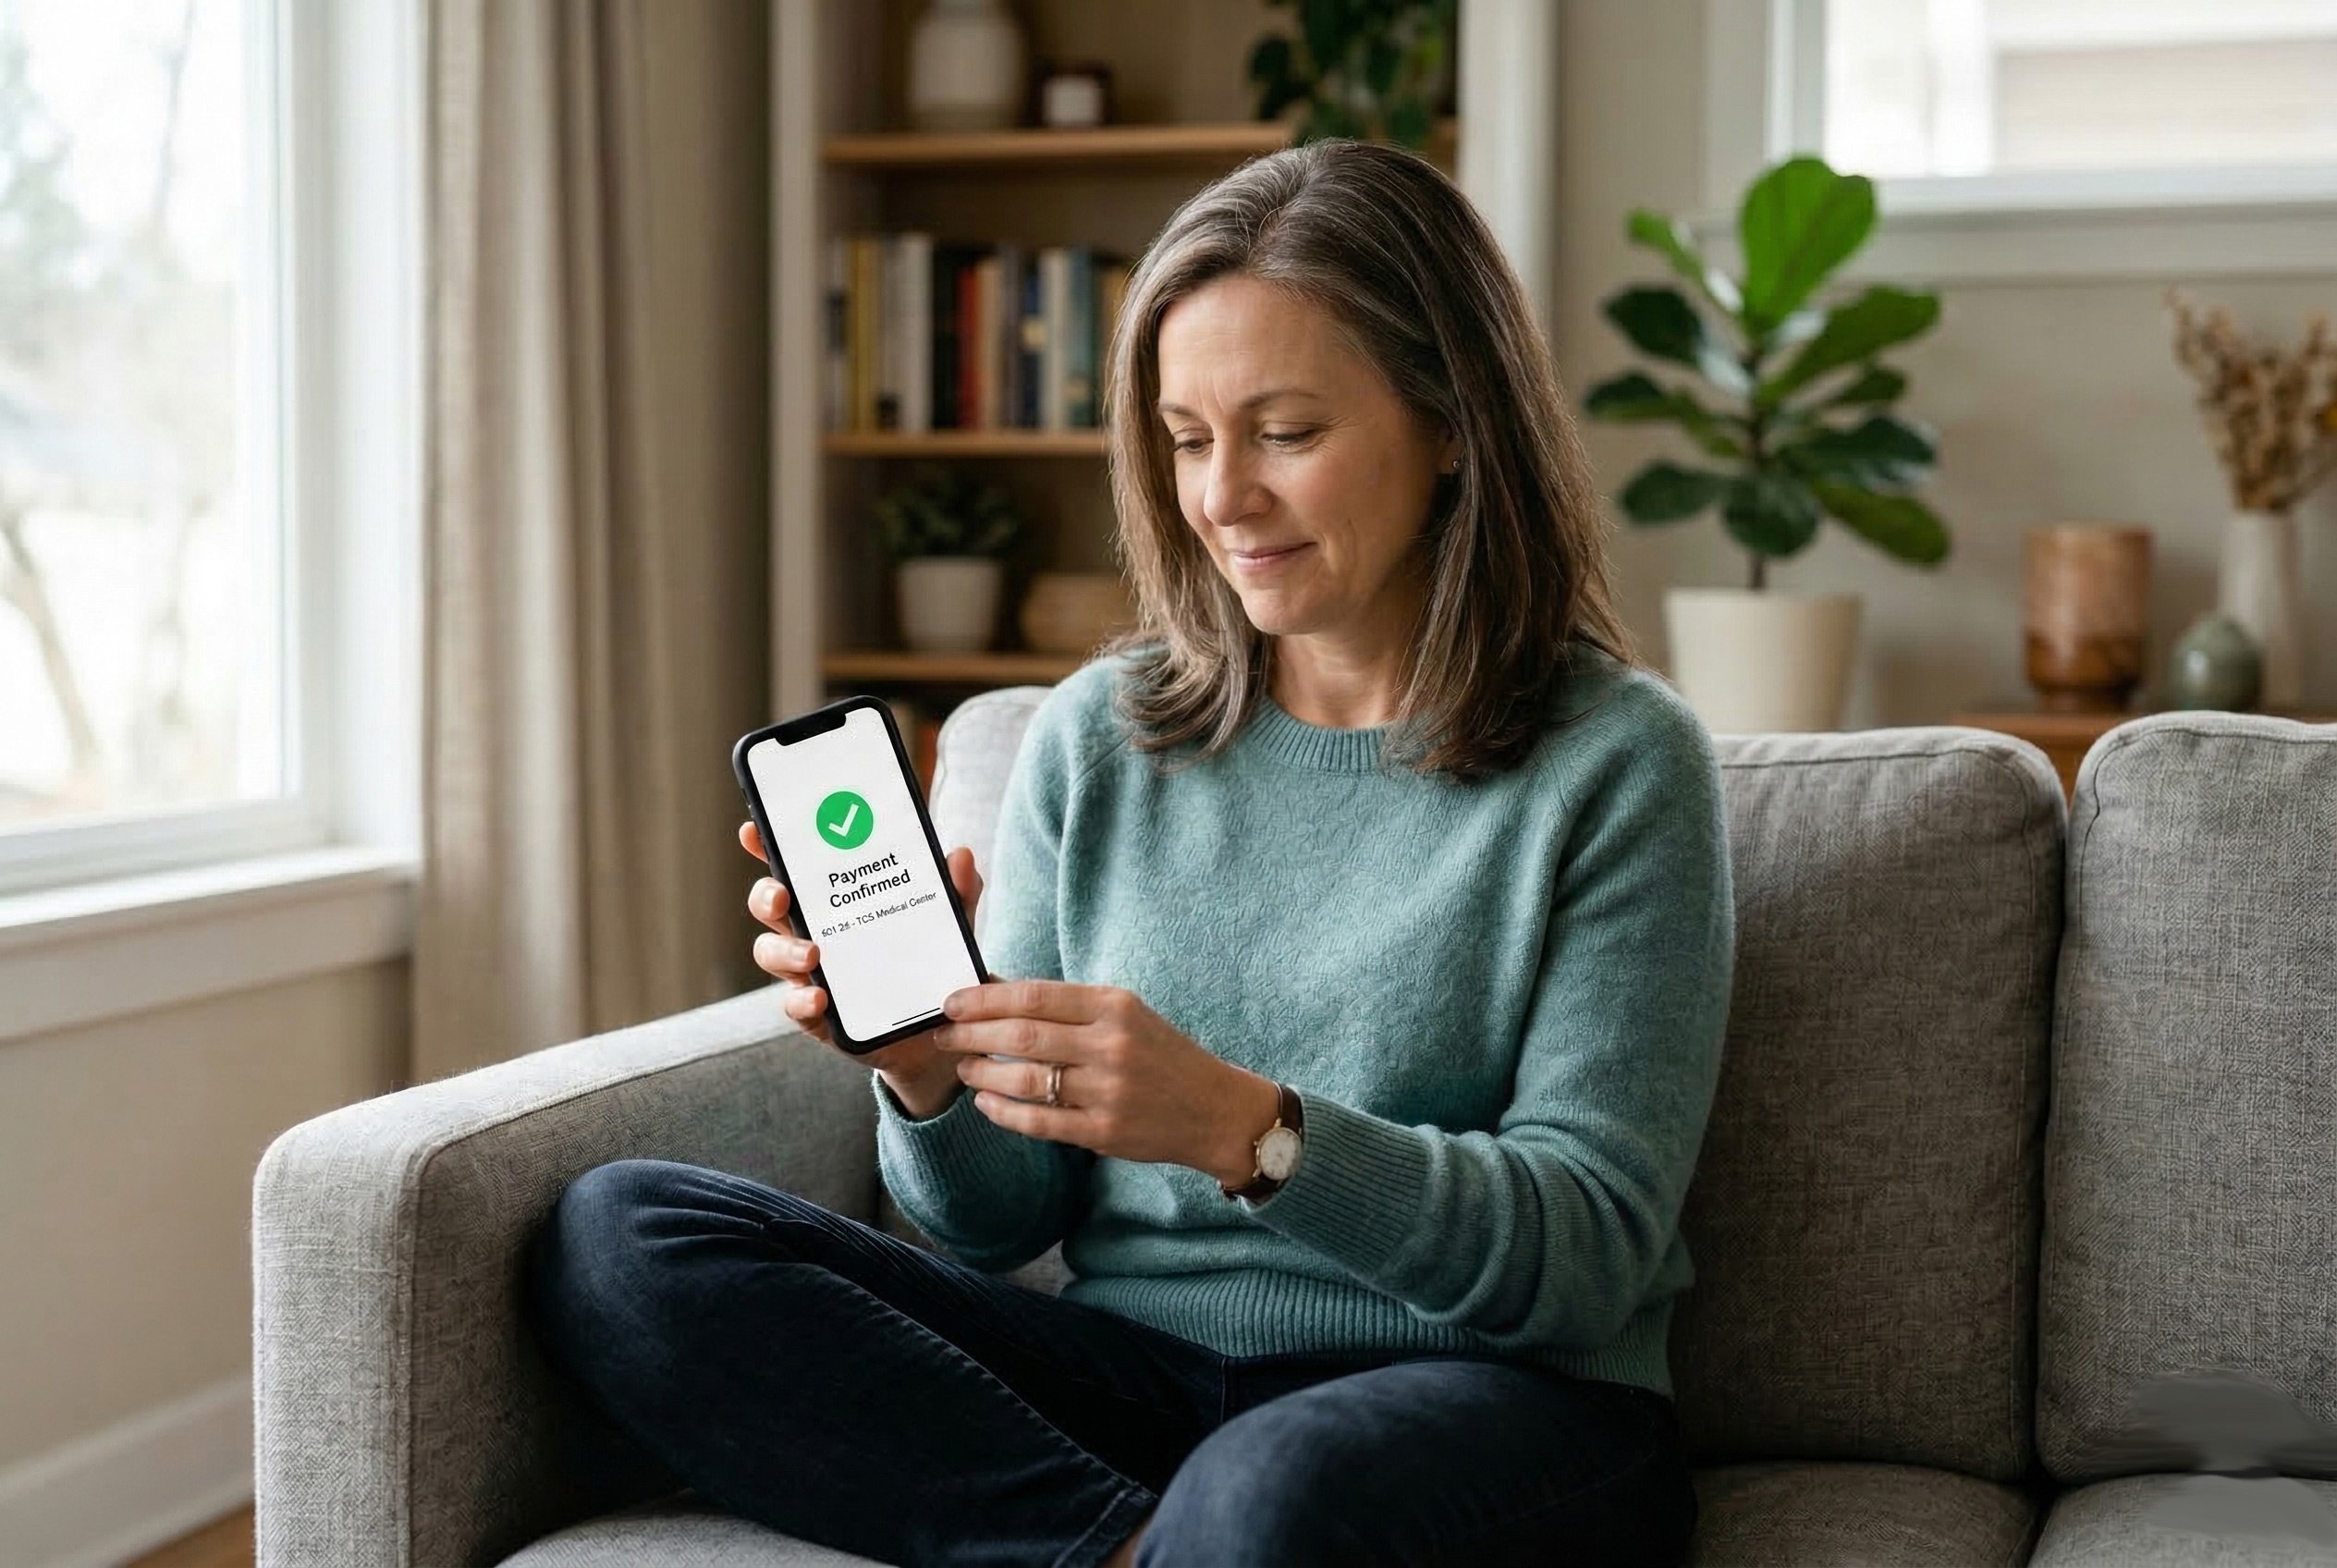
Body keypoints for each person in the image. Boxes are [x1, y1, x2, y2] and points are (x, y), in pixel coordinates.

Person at [525, 137, 1733, 1568]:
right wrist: (923, 1069)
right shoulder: (1102, 737)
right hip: (1139, 1387)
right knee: (625, 1243)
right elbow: (993, 1225)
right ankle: (1113, 1551)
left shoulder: (1618, 763)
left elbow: (1583, 1261)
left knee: (1270, 1500)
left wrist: (1245, 1130)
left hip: (1496, 1406)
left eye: (1285, 432)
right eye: (1185, 437)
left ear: (1453, 422)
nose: (1221, 499)